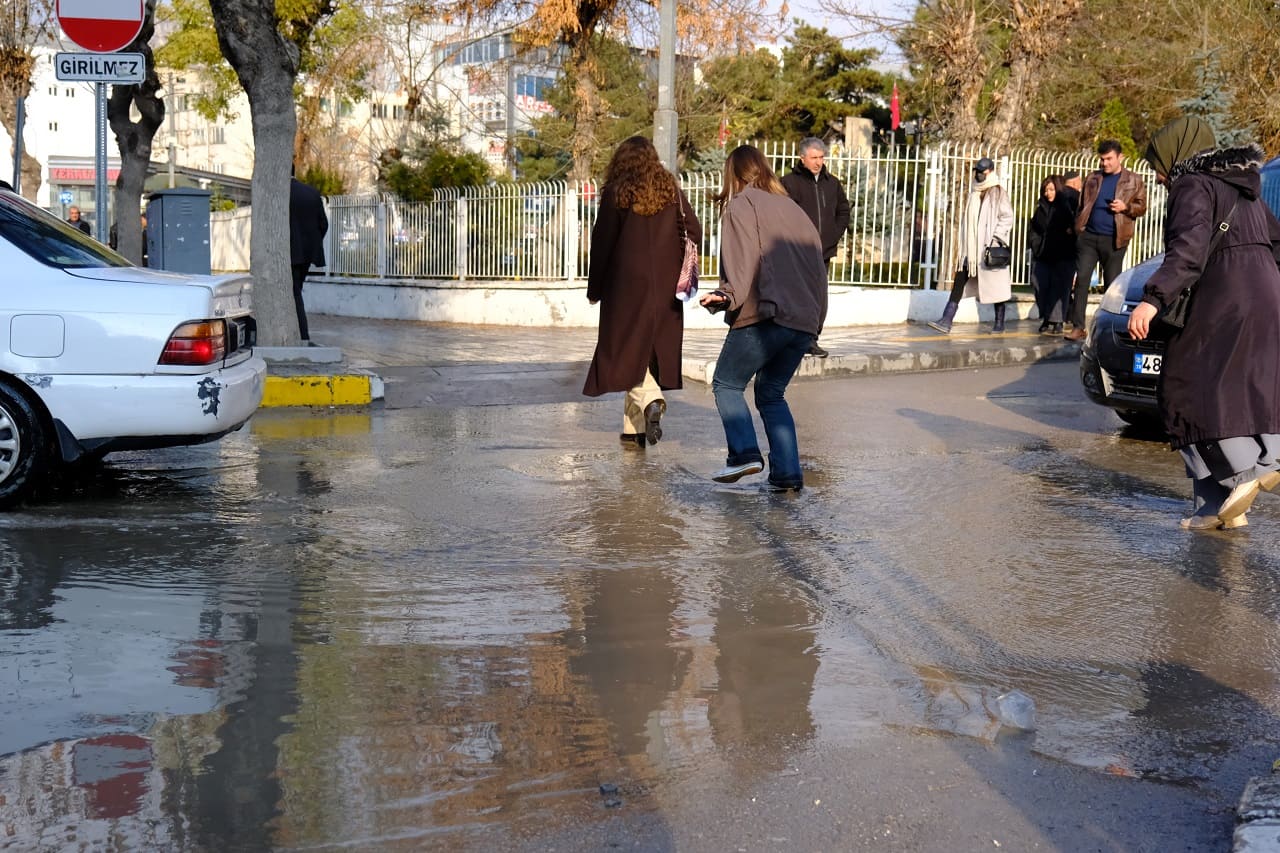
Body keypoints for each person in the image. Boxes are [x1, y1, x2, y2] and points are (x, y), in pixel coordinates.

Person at [1127, 116, 1280, 530]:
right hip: (1265, 290)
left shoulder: (1192, 185)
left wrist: (1151, 300)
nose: (1157, 176)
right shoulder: (1242, 186)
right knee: (1246, 381)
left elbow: (1188, 250)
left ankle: (1245, 472)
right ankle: (1221, 501)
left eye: (1157, 164)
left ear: (1176, 154)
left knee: (1184, 384)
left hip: (1225, 292)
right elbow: (1276, 241)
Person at [698, 145, 827, 491]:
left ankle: (743, 455)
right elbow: (818, 272)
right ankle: (786, 476)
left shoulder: (742, 205)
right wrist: (815, 325)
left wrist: (726, 296)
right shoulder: (795, 210)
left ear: (735, 174)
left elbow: (743, 262)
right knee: (771, 393)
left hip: (765, 312)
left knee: (726, 384)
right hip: (803, 321)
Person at [583, 136, 702, 449]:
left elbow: (603, 243)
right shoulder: (670, 189)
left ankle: (650, 400)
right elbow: (694, 230)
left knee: (620, 352)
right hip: (666, 285)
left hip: (626, 287)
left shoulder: (617, 191)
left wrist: (594, 288)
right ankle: (633, 429)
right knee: (645, 352)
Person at [1065, 139, 1148, 341]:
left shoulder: (1133, 180)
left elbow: (1142, 207)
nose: (1105, 163)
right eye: (1102, 159)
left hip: (1115, 239)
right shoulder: (1093, 178)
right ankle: (1078, 327)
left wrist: (1125, 208)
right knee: (1082, 279)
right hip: (1089, 238)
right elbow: (1082, 203)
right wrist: (1080, 228)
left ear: (1120, 157)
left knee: (1112, 285)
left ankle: (1109, 326)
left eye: (1109, 159)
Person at [926, 157, 1014, 334]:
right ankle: (947, 319)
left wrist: (996, 237)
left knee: (995, 287)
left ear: (990, 171)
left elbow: (1007, 216)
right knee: (960, 280)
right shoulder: (974, 191)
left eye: (983, 171)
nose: (979, 174)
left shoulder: (998, 192)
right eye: (978, 171)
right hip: (971, 249)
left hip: (989, 247)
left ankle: (999, 323)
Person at [780, 137, 850, 358]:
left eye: (821, 157)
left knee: (819, 297)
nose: (818, 162)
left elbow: (843, 211)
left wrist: (833, 235)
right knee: (796, 295)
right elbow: (782, 215)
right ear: (802, 158)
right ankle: (790, 340)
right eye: (814, 158)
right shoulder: (789, 183)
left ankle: (811, 339)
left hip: (823, 252)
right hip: (797, 252)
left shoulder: (832, 183)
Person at [1027, 175, 1075, 335]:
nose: (1048, 193)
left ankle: (1057, 321)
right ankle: (1046, 317)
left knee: (1059, 287)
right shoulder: (1040, 207)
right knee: (1040, 285)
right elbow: (1033, 228)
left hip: (1063, 254)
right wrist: (1035, 244)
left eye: (1051, 189)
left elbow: (1075, 226)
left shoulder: (1067, 206)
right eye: (1046, 190)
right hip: (1042, 254)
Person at [289, 172, 329, 344]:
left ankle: (303, 335)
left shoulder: (279, 193)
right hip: (308, 253)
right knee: (296, 290)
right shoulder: (312, 192)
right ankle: (298, 333)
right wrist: (312, 244)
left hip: (290, 252)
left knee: (294, 293)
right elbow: (323, 223)